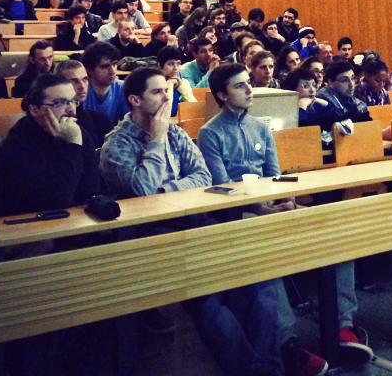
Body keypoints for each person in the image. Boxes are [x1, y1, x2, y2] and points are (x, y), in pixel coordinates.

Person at [100, 66, 285, 376]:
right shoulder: (117, 144)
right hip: (152, 236)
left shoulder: (175, 133)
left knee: (259, 280)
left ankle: (269, 367)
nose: (166, 98)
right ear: (134, 100)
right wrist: (157, 140)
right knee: (208, 300)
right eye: (157, 92)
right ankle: (252, 370)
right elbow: (141, 192)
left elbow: (203, 176)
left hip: (196, 223)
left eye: (167, 91)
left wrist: (163, 190)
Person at [199, 62, 369, 370]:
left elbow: (276, 175)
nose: (249, 89)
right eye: (240, 85)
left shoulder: (260, 126)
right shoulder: (210, 133)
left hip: (272, 208)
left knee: (339, 235)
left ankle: (341, 326)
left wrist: (287, 200)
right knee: (268, 255)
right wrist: (264, 209)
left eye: (248, 82)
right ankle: (288, 344)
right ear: (222, 95)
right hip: (240, 216)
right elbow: (225, 190)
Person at [0, 72, 100, 217]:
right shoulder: (15, 147)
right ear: (34, 109)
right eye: (60, 103)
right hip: (21, 225)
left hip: (72, 220)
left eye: (73, 101)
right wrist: (72, 146)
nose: (71, 109)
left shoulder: (78, 133)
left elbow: (91, 188)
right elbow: (55, 201)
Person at [55, 57, 113, 149]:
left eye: (85, 79)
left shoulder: (101, 120)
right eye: (74, 81)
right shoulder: (51, 123)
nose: (82, 86)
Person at [315, 59, 372, 125]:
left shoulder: (358, 99)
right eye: (344, 80)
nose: (351, 84)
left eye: (352, 78)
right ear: (330, 82)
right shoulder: (323, 99)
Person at [82, 41, 127, 122]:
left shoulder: (122, 88)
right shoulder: (81, 90)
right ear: (89, 69)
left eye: (114, 64)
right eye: (105, 67)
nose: (112, 71)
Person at [157, 45, 196, 115]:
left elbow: (194, 109)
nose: (175, 68)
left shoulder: (183, 82)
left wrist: (181, 87)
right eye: (170, 64)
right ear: (160, 66)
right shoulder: (155, 86)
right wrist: (170, 85)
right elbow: (165, 113)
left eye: (178, 63)